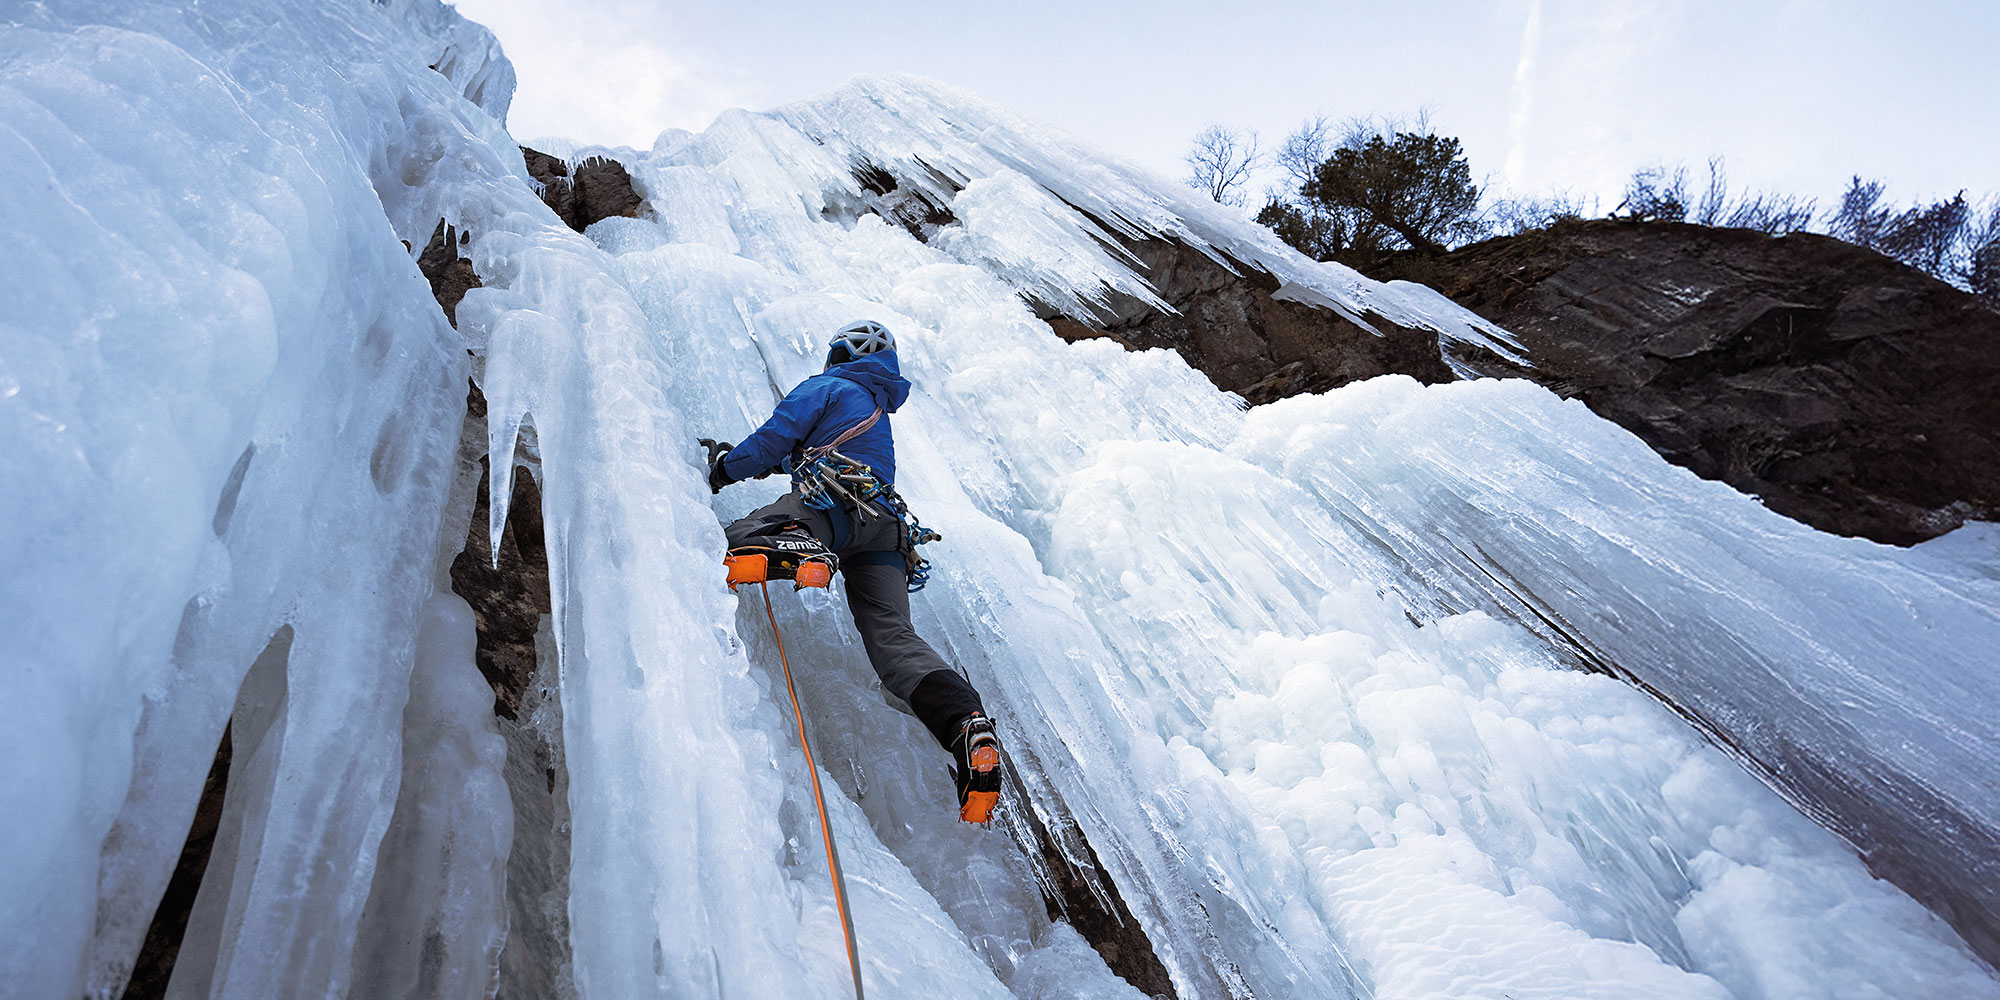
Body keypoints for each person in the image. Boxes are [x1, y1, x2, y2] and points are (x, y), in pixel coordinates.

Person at [707, 319, 1003, 823]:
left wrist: (722, 467)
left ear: (838, 354)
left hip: (835, 509)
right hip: (885, 533)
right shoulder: (874, 407)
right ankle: (965, 725)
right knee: (894, 638)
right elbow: (799, 455)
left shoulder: (828, 387)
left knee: (739, 535)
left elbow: (776, 438)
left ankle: (798, 546)